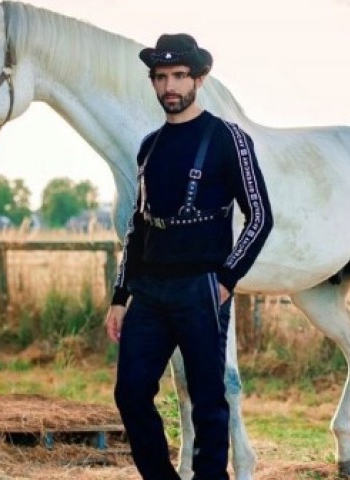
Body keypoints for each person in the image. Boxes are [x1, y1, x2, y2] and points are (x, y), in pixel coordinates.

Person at [104, 33, 274, 480]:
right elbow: (137, 227)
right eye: (161, 78)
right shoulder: (149, 146)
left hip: (202, 288)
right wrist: (120, 296)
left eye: (179, 76)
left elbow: (260, 217)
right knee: (131, 392)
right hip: (150, 293)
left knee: (208, 401)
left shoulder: (228, 139)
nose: (169, 87)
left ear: (200, 78)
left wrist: (225, 280)